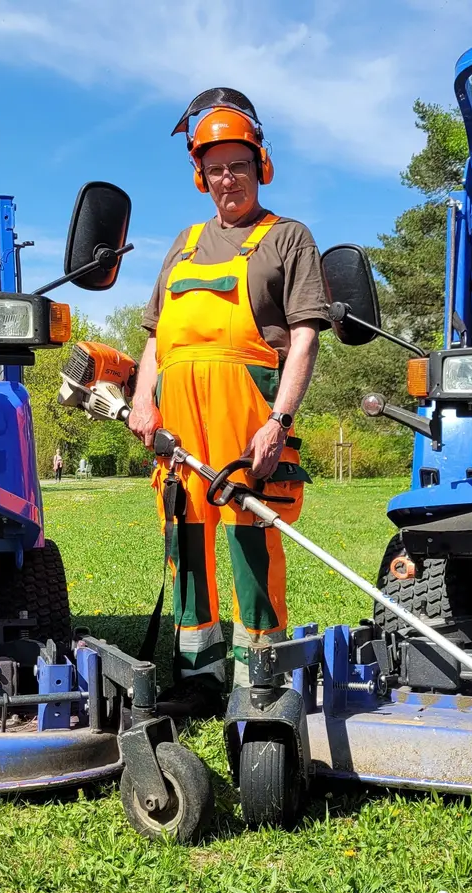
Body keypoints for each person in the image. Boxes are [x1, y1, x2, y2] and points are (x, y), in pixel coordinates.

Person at [126, 88, 330, 714]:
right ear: (200, 175)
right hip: (178, 423)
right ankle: (198, 678)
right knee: (186, 540)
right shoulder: (184, 242)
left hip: (247, 415)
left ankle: (259, 681)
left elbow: (305, 338)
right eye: (214, 169)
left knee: (250, 542)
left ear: (260, 166)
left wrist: (279, 422)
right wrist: (142, 400)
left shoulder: (287, 238)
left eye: (238, 165)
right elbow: (156, 339)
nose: (227, 179)